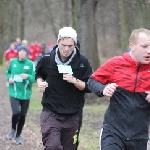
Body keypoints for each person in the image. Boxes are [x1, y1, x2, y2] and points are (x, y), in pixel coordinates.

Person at [87, 28, 150, 150]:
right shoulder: (116, 64)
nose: (149, 51)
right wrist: (103, 89)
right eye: (144, 46)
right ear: (132, 46)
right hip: (113, 132)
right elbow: (92, 81)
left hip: (139, 137)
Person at [35, 26, 93, 150]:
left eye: (70, 46)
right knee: (54, 146)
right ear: (58, 42)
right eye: (63, 45)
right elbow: (38, 74)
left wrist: (75, 81)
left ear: (75, 45)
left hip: (73, 113)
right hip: (51, 110)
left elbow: (89, 86)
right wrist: (40, 83)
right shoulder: (47, 60)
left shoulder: (82, 62)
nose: (66, 49)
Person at [6, 45, 35, 144]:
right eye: (20, 51)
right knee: (16, 112)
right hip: (14, 92)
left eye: (24, 51)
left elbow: (35, 78)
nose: (22, 53)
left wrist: (28, 76)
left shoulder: (30, 64)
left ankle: (18, 136)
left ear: (27, 53)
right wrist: (9, 78)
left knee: (23, 115)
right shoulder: (13, 62)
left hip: (26, 94)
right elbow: (8, 72)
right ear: (18, 52)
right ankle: (13, 129)